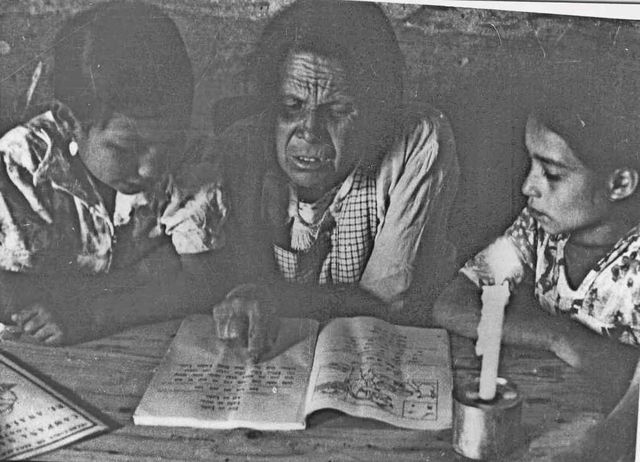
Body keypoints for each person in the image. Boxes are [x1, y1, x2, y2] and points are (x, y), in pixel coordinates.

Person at [211, 0, 460, 359]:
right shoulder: (242, 150)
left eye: (338, 111)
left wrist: (274, 298)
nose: (309, 132)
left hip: (384, 354)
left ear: (375, 111)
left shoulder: (417, 142)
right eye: (291, 107)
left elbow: (389, 303)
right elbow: (236, 283)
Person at [433, 63, 640, 461]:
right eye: (531, 164)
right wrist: (558, 336)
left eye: (551, 173)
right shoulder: (537, 231)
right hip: (548, 409)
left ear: (619, 184)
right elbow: (452, 302)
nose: (528, 187)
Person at [0, 1, 229, 345]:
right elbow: (13, 294)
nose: (151, 168)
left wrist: (96, 313)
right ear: (70, 122)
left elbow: (203, 283)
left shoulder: (192, 158)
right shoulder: (23, 164)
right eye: (126, 148)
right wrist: (148, 273)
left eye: (168, 142)